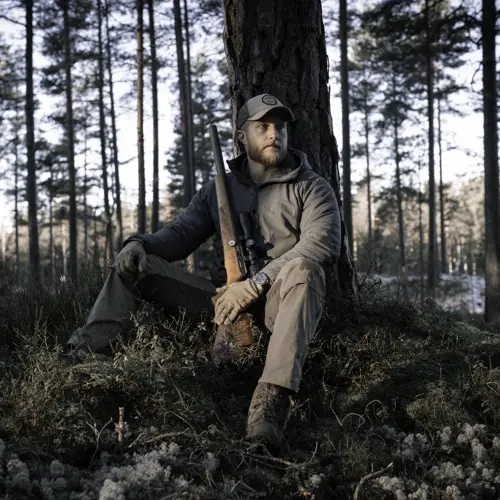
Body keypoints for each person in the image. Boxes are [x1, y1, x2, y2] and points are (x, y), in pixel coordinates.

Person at [64, 93, 342, 448]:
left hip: (279, 306)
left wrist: (256, 283)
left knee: (305, 270)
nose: (274, 134)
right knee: (132, 262)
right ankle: (83, 358)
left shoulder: (312, 187)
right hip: (219, 304)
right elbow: (178, 236)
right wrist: (138, 243)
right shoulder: (217, 189)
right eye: (262, 127)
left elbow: (322, 244)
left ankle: (270, 400)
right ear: (242, 136)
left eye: (280, 127)